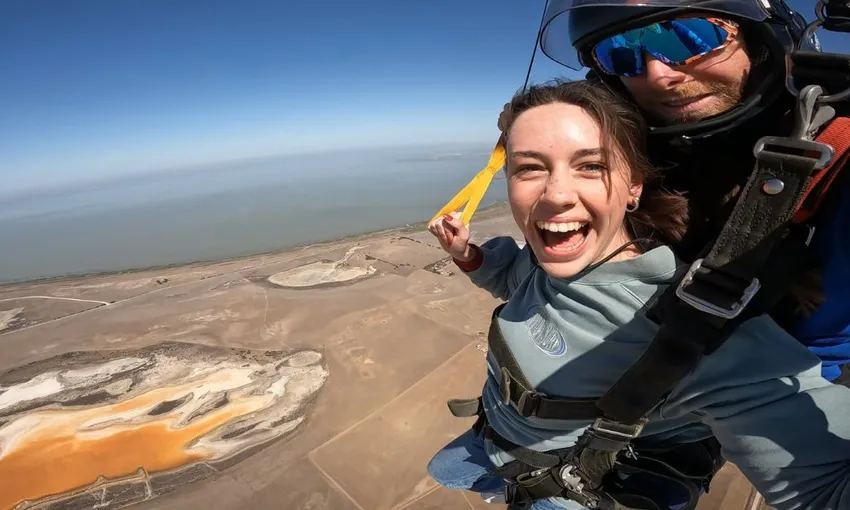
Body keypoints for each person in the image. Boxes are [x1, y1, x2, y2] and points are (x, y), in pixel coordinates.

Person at [427, 79, 850, 510]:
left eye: (590, 166)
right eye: (529, 167)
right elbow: (512, 282)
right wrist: (469, 256)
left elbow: (825, 487)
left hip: (560, 482)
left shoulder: (689, 324)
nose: (555, 195)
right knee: (443, 471)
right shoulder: (545, 262)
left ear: (634, 187)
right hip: (497, 439)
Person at [496, 0, 850, 383]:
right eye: (622, 55)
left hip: (787, 391)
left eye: (689, 37)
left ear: (760, 38)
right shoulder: (629, 146)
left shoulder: (839, 156)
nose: (658, 75)